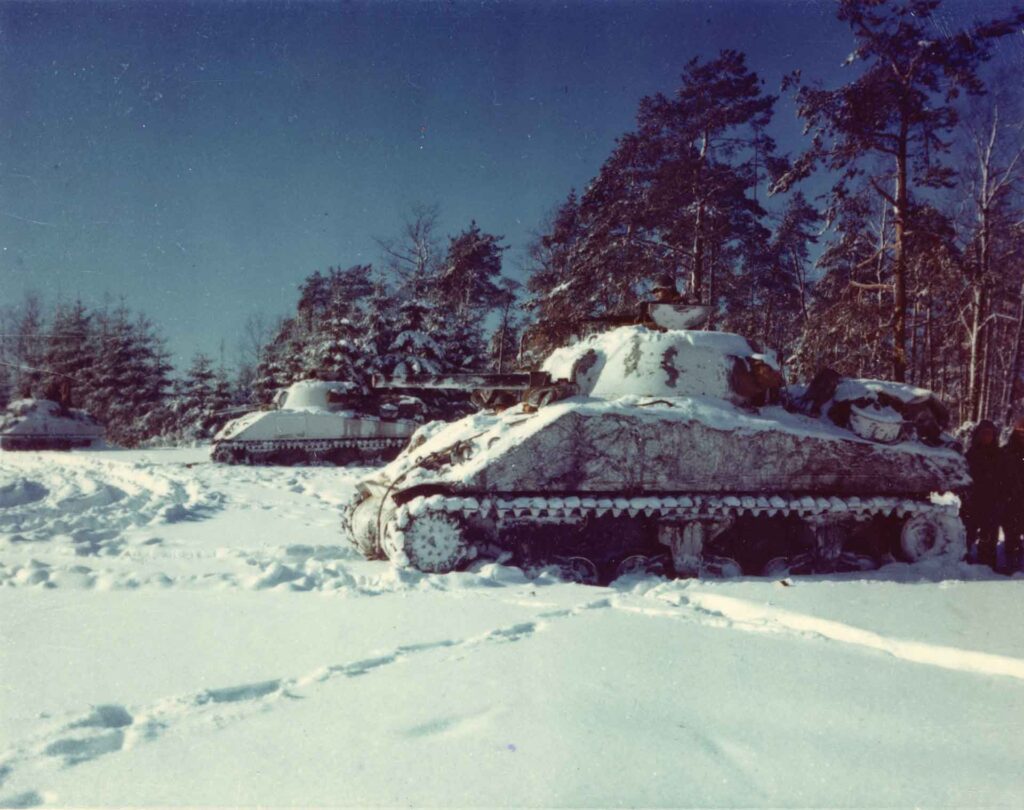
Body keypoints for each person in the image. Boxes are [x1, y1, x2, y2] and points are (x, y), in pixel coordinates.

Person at [964, 420, 1003, 568]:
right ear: (978, 435)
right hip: (972, 502)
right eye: (984, 433)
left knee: (990, 537)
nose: (987, 436)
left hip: (992, 503)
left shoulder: (999, 455)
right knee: (968, 535)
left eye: (990, 433)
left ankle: (987, 565)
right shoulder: (970, 454)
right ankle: (963, 562)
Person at [1001, 418, 1024, 573]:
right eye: (1021, 431)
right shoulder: (1006, 451)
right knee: (1012, 533)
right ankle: (1012, 563)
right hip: (1011, 499)